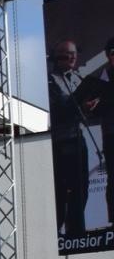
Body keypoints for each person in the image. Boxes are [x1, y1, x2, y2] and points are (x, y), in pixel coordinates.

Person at [50, 40, 91, 238]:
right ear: (58, 58)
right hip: (61, 141)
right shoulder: (51, 81)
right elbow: (57, 110)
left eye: (74, 54)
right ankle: (61, 228)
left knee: (82, 186)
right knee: (63, 189)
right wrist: (78, 106)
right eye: (68, 55)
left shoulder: (78, 77)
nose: (73, 58)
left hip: (78, 137)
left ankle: (76, 228)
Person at [73, 37, 114, 231]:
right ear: (108, 56)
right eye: (113, 53)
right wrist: (87, 107)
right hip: (111, 135)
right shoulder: (98, 79)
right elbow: (77, 106)